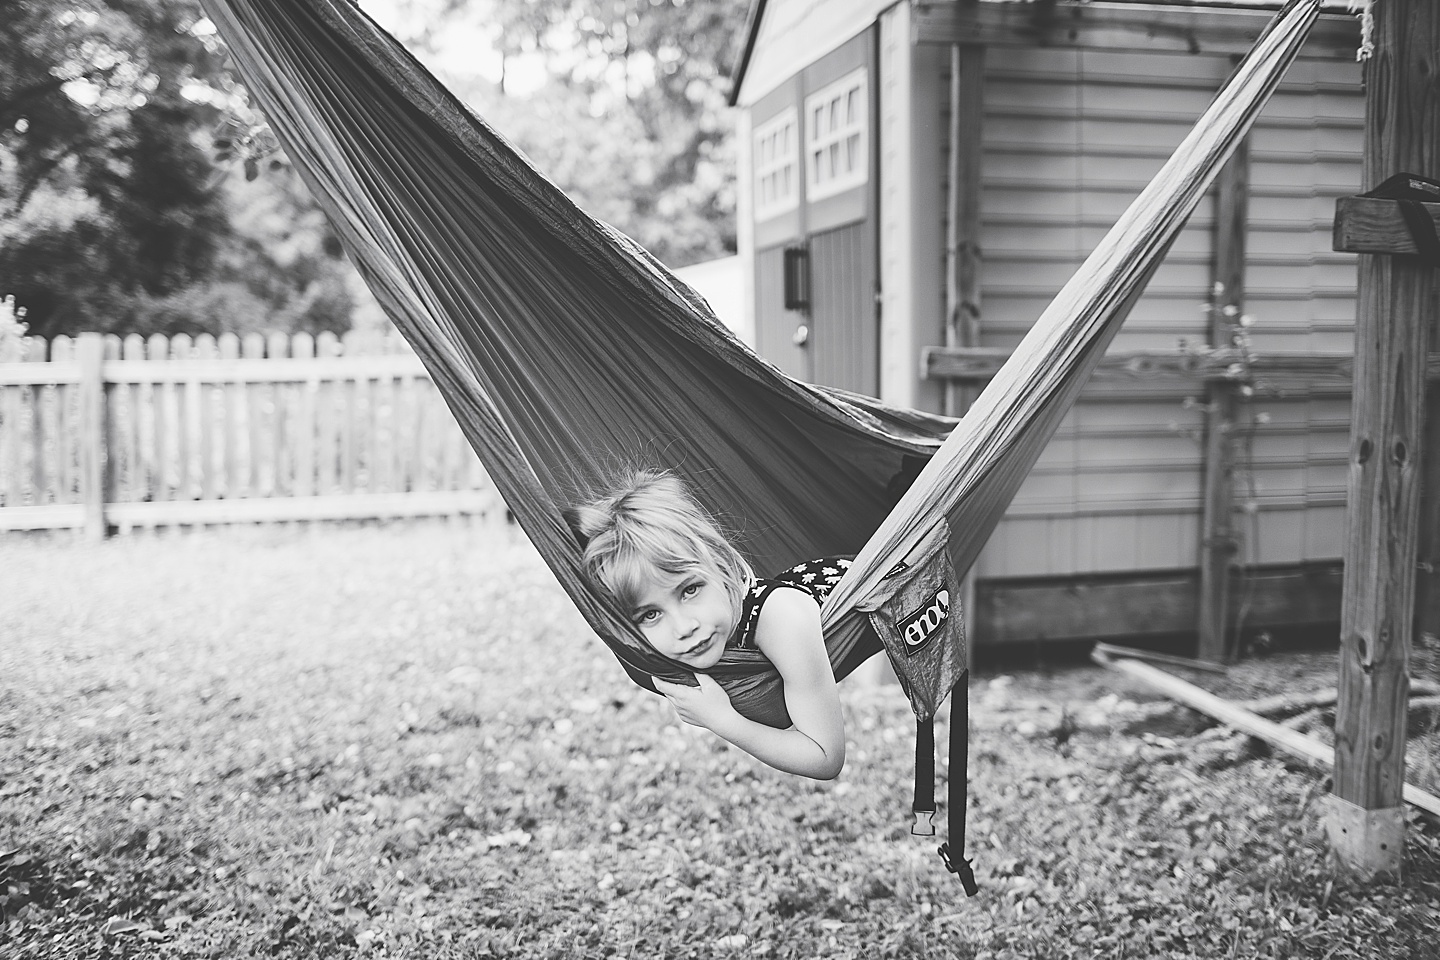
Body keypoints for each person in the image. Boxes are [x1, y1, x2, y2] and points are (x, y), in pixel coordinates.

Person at [567, 469, 846, 780]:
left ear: (721, 565)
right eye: (650, 614)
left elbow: (824, 757)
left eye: (689, 590)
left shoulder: (783, 620)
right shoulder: (673, 636)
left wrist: (723, 720)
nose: (684, 627)